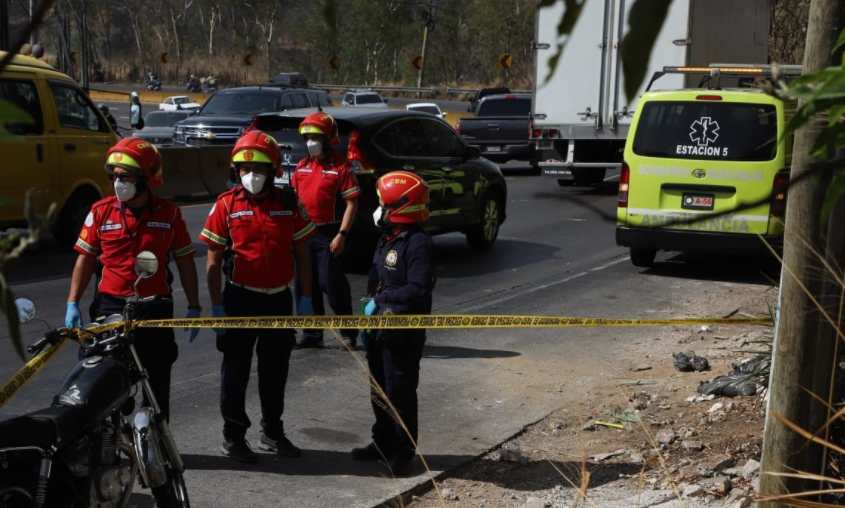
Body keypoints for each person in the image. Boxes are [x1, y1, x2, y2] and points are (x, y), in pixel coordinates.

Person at [200, 130, 316, 463]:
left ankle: (273, 432)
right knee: (235, 372)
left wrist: (306, 298)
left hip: (278, 300)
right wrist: (217, 307)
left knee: (275, 370)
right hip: (240, 300)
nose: (251, 176)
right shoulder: (225, 206)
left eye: (260, 169)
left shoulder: (289, 205)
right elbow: (212, 261)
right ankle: (234, 436)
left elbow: (304, 255)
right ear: (235, 171)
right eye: (244, 169)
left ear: (274, 171)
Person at [65, 137, 201, 421]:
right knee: (103, 383)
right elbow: (86, 258)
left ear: (146, 179)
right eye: (114, 176)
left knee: (157, 381)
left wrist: (194, 304)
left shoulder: (169, 214)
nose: (118, 183)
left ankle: (161, 450)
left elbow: (186, 261)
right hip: (109, 309)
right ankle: (109, 450)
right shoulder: (101, 211)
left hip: (154, 308)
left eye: (125, 177)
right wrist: (72, 302)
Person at [351, 171, 435, 477]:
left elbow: (419, 288)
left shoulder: (417, 243)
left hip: (402, 332)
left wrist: (383, 301)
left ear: (400, 207)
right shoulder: (388, 237)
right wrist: (368, 306)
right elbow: (377, 277)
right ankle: (382, 443)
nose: (379, 210)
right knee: (378, 390)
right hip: (379, 328)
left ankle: (403, 452)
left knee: (399, 392)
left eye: (383, 205)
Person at [292, 111, 360, 349]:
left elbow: (352, 203)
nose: (311, 142)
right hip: (303, 235)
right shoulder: (301, 168)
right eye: (308, 137)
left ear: (328, 139)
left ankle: (348, 332)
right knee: (303, 285)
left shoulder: (341, 168)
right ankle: (312, 333)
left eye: (316, 137)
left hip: (327, 234)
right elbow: (295, 203)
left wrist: (341, 235)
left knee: (330, 284)